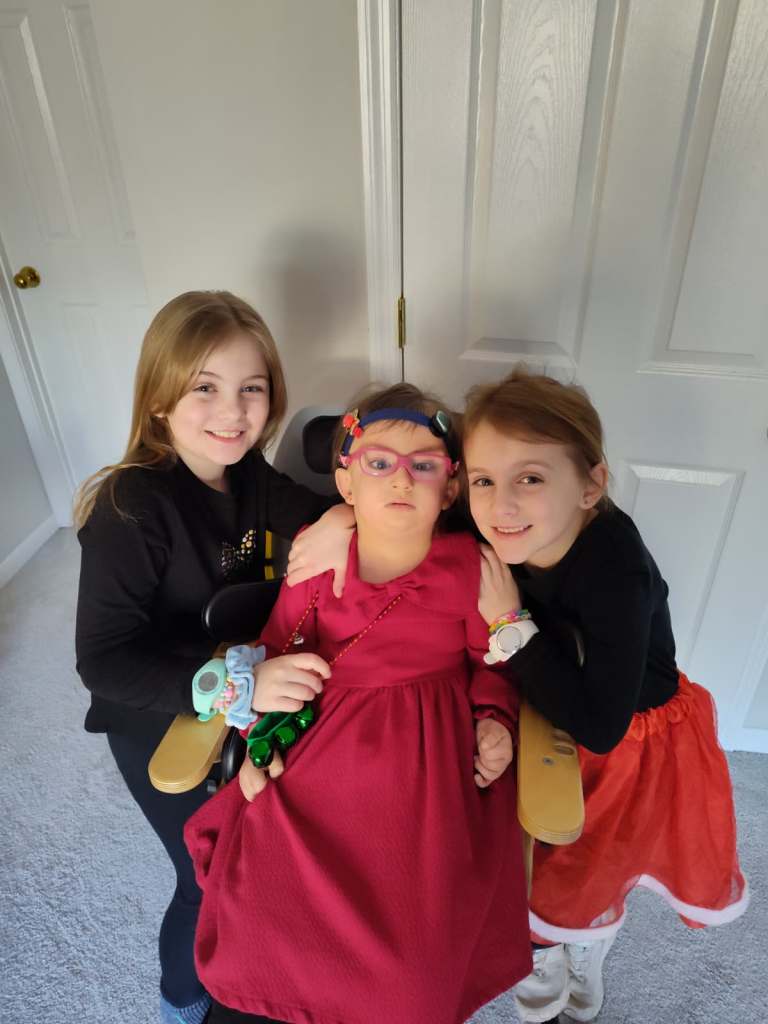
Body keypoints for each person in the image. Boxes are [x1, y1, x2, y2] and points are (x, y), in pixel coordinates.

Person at [183, 383, 533, 1024]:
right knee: (260, 914)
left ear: (450, 488)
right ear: (346, 482)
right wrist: (261, 737)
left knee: (416, 974)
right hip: (319, 751)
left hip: (422, 776)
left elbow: (494, 664)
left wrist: (495, 721)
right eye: (378, 463)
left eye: (423, 465)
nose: (401, 478)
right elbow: (277, 652)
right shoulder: (316, 560)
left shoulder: (469, 569)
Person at [74, 290, 353, 1024]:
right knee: (204, 873)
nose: (232, 411)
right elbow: (103, 661)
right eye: (205, 387)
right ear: (159, 399)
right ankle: (180, 1000)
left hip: (242, 683)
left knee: (266, 847)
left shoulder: (249, 474)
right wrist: (239, 684)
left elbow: (313, 513)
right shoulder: (131, 507)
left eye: (251, 388)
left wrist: (343, 516)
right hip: (157, 711)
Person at [461, 366, 749, 1023]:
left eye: (530, 479)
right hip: (545, 698)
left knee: (592, 864)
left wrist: (509, 622)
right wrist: (337, 522)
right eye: (484, 480)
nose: (501, 506)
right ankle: (542, 946)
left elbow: (600, 725)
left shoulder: (615, 568)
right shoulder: (493, 519)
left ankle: (585, 943)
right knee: (524, 856)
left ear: (590, 486)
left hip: (629, 734)